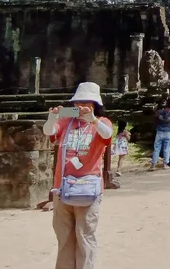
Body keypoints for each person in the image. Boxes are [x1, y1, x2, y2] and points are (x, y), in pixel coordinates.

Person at [43, 82, 114, 269]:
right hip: (62, 188)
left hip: (88, 189)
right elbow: (49, 131)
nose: (81, 107)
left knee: (85, 236)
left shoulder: (102, 122)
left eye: (86, 103)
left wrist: (93, 120)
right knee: (64, 238)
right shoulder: (67, 121)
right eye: (77, 103)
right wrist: (52, 117)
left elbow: (107, 134)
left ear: (95, 105)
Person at [151, 98, 170, 169]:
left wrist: (160, 104)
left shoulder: (160, 112)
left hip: (159, 131)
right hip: (168, 132)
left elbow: (155, 111)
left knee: (156, 148)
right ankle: (165, 164)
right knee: (167, 149)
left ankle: (153, 164)